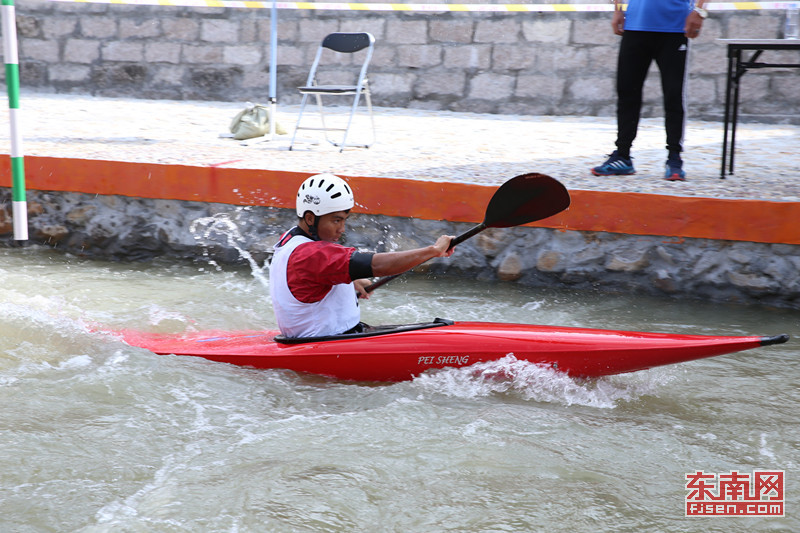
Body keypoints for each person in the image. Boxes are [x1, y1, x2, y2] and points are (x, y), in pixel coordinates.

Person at [269, 173, 456, 338]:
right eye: (336, 220)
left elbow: (305, 279)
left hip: (321, 336)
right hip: (326, 342)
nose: (341, 229)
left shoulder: (290, 238)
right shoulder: (312, 254)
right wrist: (432, 250)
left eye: (344, 220)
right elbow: (378, 266)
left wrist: (348, 281)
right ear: (310, 218)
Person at [591, 0, 709, 181]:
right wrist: (618, 9)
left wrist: (699, 11)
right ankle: (623, 156)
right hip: (635, 27)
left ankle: (674, 158)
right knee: (627, 92)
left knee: (673, 94)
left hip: (674, 29)